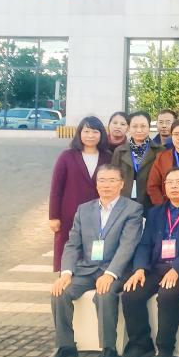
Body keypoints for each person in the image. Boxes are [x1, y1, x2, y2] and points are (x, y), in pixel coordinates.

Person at [43, 165, 143, 357]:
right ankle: (65, 346)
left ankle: (108, 349)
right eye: (102, 180)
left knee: (104, 294)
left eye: (112, 180)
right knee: (60, 292)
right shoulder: (84, 209)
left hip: (115, 270)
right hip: (87, 268)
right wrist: (66, 273)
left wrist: (110, 274)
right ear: (96, 184)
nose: (106, 185)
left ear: (121, 184)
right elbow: (72, 244)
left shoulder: (132, 209)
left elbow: (127, 245)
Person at [120, 168, 179, 357]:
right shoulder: (155, 212)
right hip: (156, 266)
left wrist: (177, 268)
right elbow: (145, 244)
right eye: (169, 182)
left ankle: (165, 348)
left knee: (167, 295)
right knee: (131, 293)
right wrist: (140, 269)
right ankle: (140, 344)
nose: (174, 186)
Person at [49, 116, 112, 271]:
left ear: (101, 134)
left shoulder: (108, 157)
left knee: (95, 246)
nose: (90, 135)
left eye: (95, 132)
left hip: (99, 212)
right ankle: (66, 274)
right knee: (69, 246)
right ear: (79, 133)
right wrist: (53, 216)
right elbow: (56, 188)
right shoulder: (67, 156)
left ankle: (91, 274)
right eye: (86, 131)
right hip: (70, 212)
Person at [110, 110, 163, 209]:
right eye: (134, 126)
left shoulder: (159, 150)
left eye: (143, 126)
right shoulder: (119, 151)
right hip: (124, 202)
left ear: (149, 127)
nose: (139, 130)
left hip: (150, 202)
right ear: (129, 128)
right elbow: (113, 178)